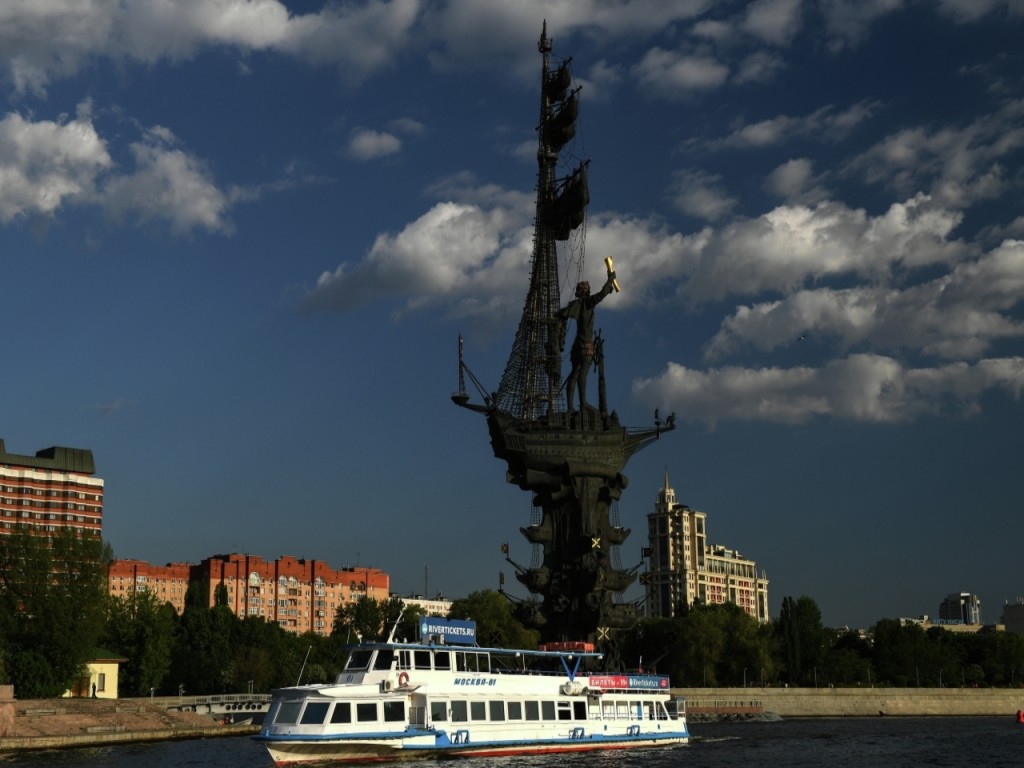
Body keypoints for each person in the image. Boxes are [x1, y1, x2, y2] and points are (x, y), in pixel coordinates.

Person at [556, 270, 616, 413]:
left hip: (576, 346)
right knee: (582, 374)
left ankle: (571, 407)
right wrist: (610, 280)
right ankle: (583, 404)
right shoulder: (588, 302)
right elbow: (601, 295)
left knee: (574, 375)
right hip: (586, 346)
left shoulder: (575, 304)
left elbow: (561, 314)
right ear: (587, 292)